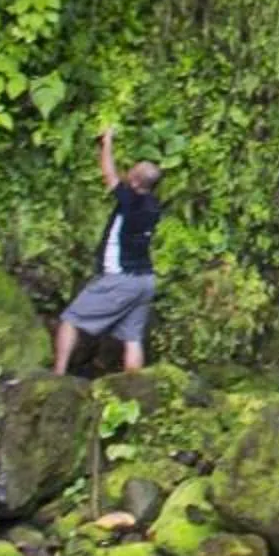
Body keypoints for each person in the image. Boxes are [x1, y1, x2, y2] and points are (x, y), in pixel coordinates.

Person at [52, 126, 162, 375]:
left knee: (70, 320)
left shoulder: (131, 201)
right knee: (132, 338)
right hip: (145, 280)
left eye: (131, 173)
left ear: (134, 182)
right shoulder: (153, 205)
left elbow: (109, 174)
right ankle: (135, 390)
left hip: (120, 279)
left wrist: (107, 142)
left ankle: (57, 376)